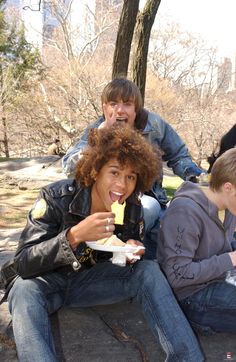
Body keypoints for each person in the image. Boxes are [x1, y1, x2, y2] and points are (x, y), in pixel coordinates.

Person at [4, 125, 204, 361]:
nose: (122, 184)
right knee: (23, 290)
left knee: (148, 270)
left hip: (90, 283)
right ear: (96, 170)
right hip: (50, 283)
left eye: (131, 176)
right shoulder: (56, 198)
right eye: (115, 172)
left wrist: (130, 249)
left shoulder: (131, 206)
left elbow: (118, 254)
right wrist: (73, 236)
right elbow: (24, 262)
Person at [62, 77, 205, 259]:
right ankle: (111, 252)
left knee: (159, 214)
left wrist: (198, 178)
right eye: (113, 104)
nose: (120, 110)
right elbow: (68, 168)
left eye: (127, 104)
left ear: (136, 108)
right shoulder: (95, 130)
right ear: (104, 108)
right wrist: (98, 139)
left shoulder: (154, 125)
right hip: (103, 202)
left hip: (146, 197)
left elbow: (179, 155)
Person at [158, 148, 236, 335]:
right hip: (191, 298)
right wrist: (231, 259)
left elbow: (221, 246)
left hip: (219, 281)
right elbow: (177, 276)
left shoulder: (228, 208)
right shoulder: (185, 211)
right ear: (228, 187)